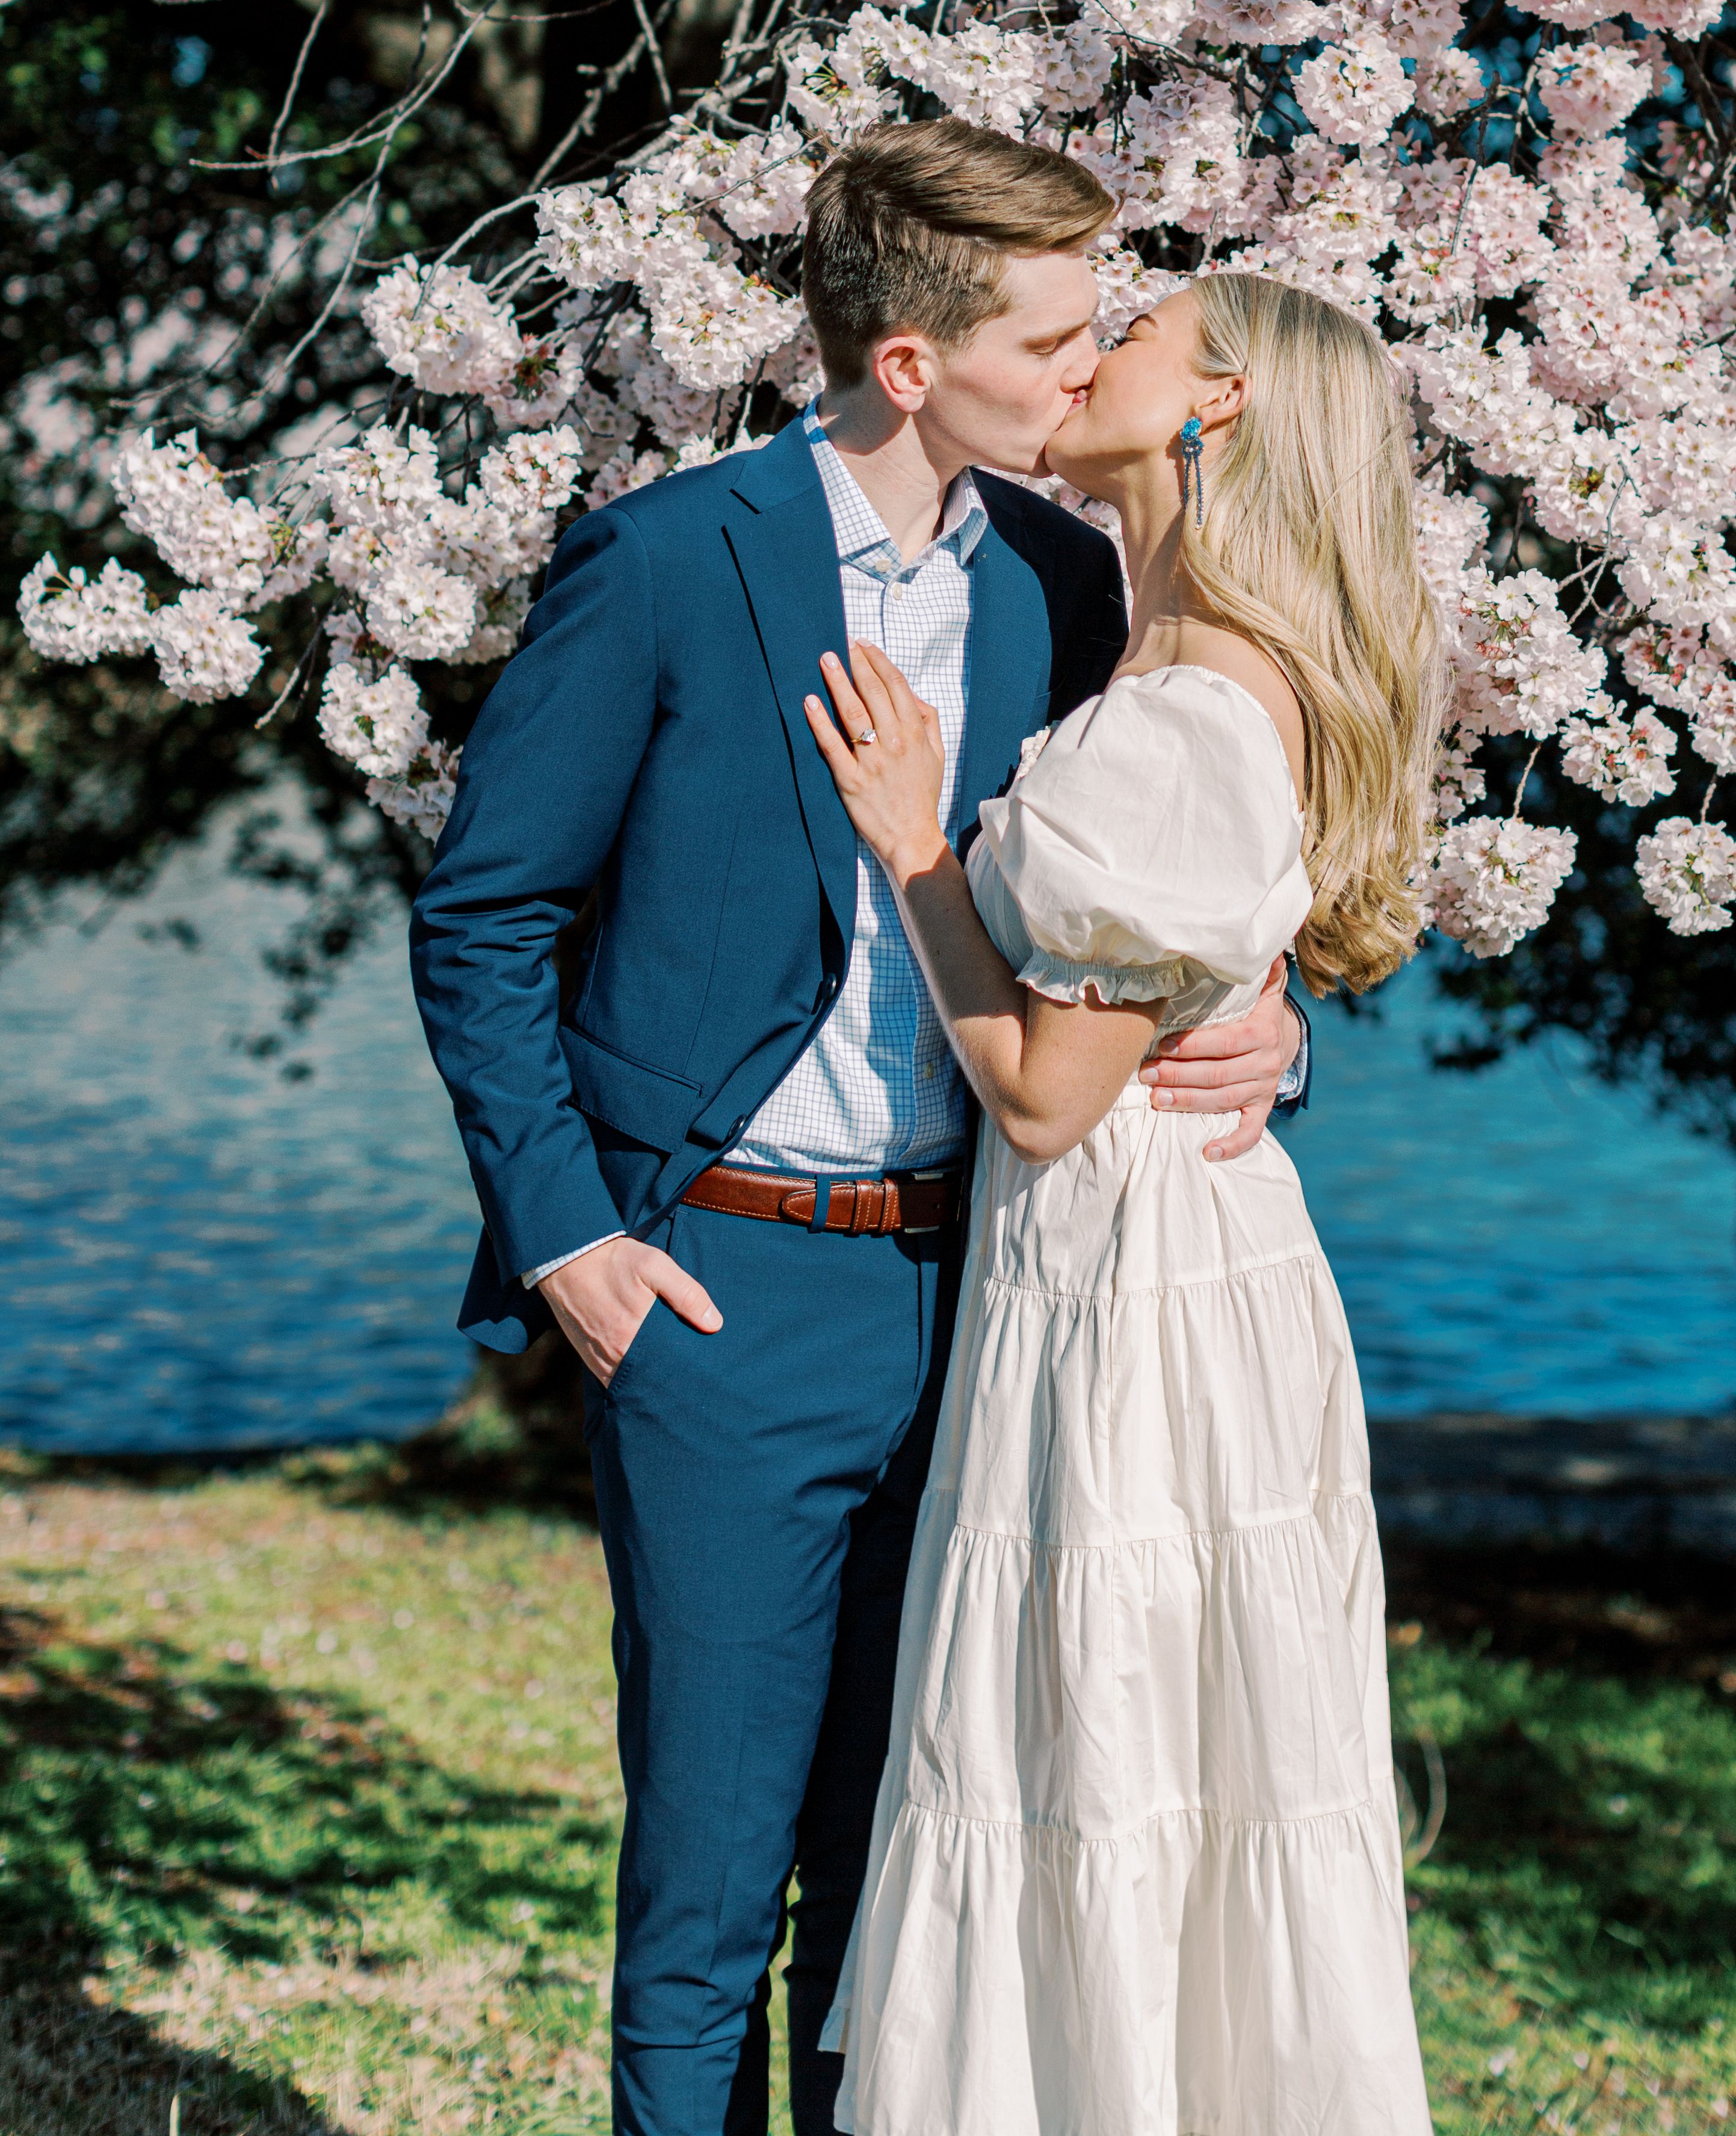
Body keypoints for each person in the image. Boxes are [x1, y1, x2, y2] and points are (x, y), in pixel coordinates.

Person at [409, 122, 1309, 2136]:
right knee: (714, 1888)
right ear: (912, 365)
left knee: (922, 1888)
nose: (1094, 376)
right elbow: (484, 919)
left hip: (1004, 1302)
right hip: (719, 1300)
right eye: (1057, 342)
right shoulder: (666, 561)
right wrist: (571, 1245)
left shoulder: (1080, 590)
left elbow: (1167, 881)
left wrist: (1277, 1024)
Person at [803, 268, 1440, 2136]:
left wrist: (919, 849)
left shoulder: (1180, 713)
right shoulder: (1178, 668)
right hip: (1165, 1269)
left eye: (1136, 334)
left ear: (1213, 410)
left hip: (1131, 1287)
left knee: (1104, 1751)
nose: (1091, 356)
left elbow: (1044, 1090)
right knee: (1162, 1767)